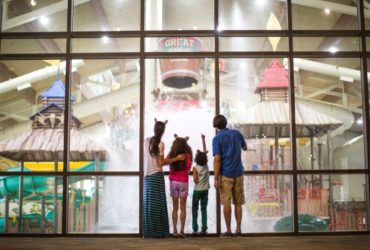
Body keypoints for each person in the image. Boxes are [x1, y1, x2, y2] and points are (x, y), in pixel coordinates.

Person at [143, 119, 185, 238]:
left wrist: (160, 125)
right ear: (163, 131)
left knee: (149, 205)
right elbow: (161, 163)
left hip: (147, 177)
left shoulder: (146, 141)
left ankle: (150, 232)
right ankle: (160, 232)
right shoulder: (160, 144)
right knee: (158, 205)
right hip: (156, 176)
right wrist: (176, 158)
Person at [212, 114, 247, 237]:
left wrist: (216, 178)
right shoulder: (237, 133)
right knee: (238, 203)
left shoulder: (217, 138)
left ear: (216, 127)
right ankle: (238, 230)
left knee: (226, 203)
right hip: (238, 172)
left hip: (226, 175)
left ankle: (228, 230)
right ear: (226, 123)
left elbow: (217, 159)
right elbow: (245, 147)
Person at [167, 134, 192, 238]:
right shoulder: (187, 155)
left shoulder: (172, 154)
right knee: (183, 208)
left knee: (175, 208)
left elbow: (166, 160)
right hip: (184, 182)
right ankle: (182, 230)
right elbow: (188, 168)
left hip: (173, 182)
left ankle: (174, 231)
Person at [192, 133, 210, 235]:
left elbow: (195, 180)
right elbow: (204, 152)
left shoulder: (195, 168)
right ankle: (204, 228)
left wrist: (194, 176)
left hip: (197, 191)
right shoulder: (206, 166)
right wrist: (203, 140)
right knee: (204, 209)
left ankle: (195, 228)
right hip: (205, 190)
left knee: (195, 209)